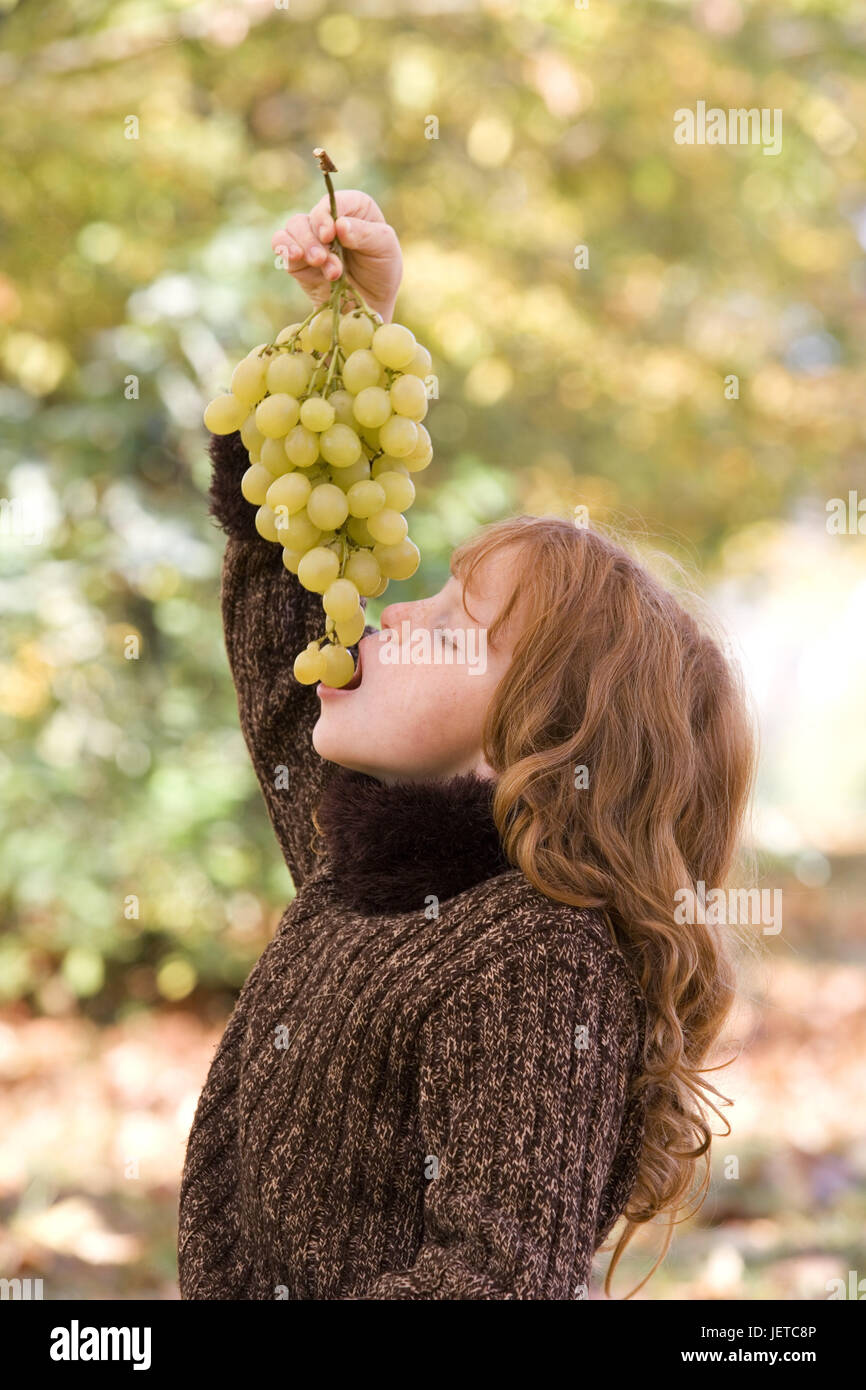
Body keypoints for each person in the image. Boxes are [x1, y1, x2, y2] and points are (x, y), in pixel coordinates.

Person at [177, 191, 756, 1300]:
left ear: (526, 743)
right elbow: (276, 647)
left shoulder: (533, 964)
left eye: (451, 626)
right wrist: (343, 362)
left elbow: (494, 1280)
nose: (393, 613)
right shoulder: (376, 882)